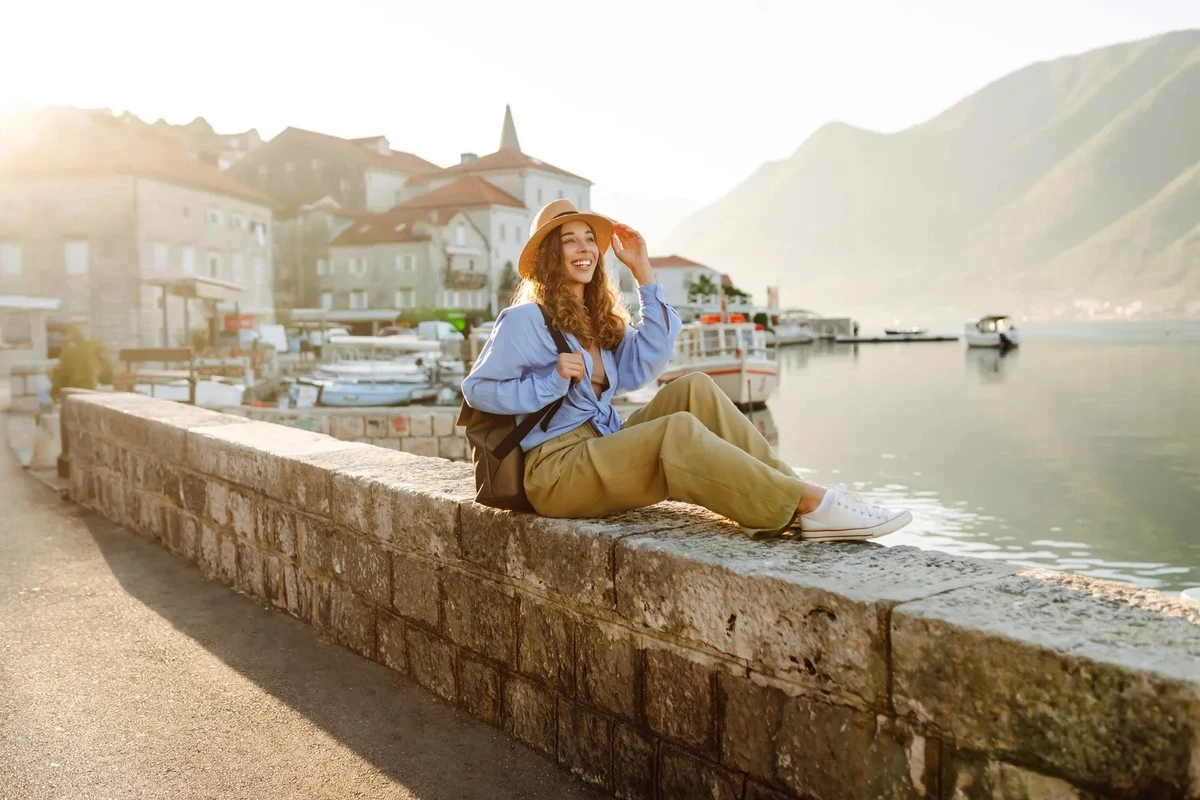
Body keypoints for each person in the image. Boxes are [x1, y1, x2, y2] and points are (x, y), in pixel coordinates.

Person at [461, 200, 912, 541]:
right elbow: (478, 390)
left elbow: (648, 363)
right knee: (674, 432)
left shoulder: (595, 319)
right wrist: (551, 379)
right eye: (569, 241)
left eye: (587, 239)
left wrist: (643, 272)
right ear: (548, 256)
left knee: (694, 388)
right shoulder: (525, 319)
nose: (584, 250)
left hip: (600, 445)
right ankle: (809, 504)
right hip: (554, 471)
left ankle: (793, 490)